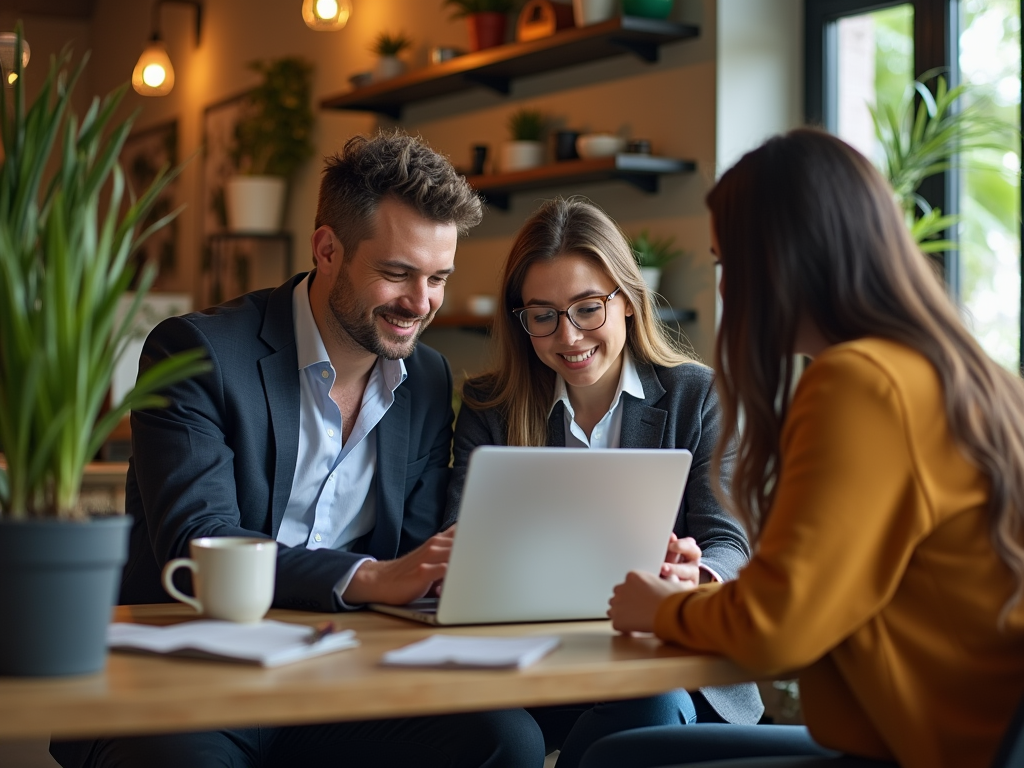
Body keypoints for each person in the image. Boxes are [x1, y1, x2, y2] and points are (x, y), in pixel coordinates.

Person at [50, 131, 546, 768]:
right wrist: (369, 577)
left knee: (506, 740)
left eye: (438, 279)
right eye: (397, 273)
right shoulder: (194, 354)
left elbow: (415, 557)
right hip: (194, 681)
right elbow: (198, 541)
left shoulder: (426, 379)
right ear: (328, 249)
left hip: (345, 678)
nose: (420, 304)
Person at [579, 128, 1024, 768]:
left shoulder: (860, 382)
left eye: (728, 262)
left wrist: (664, 607)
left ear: (783, 259)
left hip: (933, 751)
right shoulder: (955, 374)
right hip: (955, 741)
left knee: (620, 759)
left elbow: (779, 629)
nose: (725, 289)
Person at [446, 197, 764, 768]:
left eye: (587, 308)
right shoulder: (491, 408)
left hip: (662, 668)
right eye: (542, 315)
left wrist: (698, 576)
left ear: (629, 302)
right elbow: (458, 538)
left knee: (647, 711)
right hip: (529, 669)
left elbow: (730, 543)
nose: (568, 337)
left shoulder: (698, 397)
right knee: (487, 735)